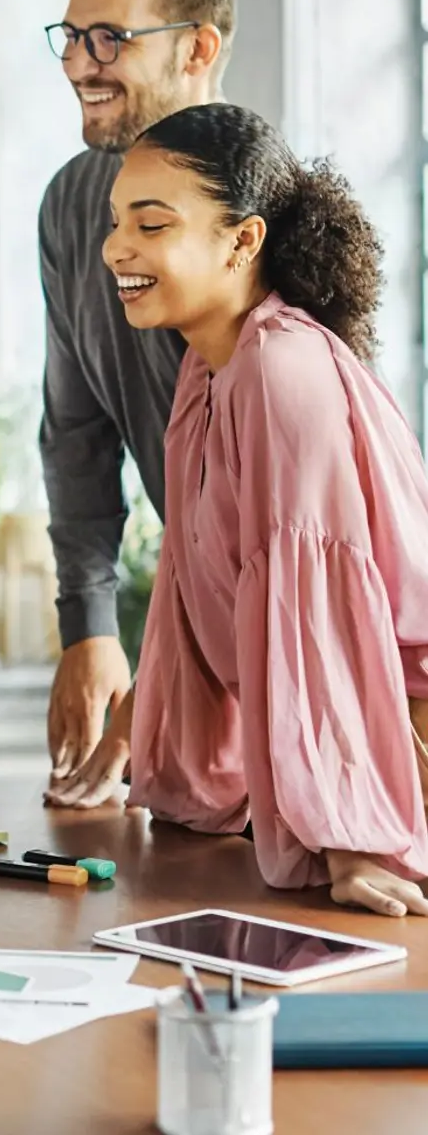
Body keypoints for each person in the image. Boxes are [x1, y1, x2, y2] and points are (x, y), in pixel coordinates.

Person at [78, 101, 428, 916]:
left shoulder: (281, 369)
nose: (116, 248)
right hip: (361, 759)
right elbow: (198, 591)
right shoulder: (207, 369)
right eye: (116, 220)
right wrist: (177, 771)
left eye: (152, 223)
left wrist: (349, 839)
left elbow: (323, 619)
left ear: (243, 241)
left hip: (402, 751)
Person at [37, 0, 235, 793]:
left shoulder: (268, 216)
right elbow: (75, 434)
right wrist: (89, 625)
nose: (82, 62)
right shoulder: (71, 204)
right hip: (200, 627)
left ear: (197, 49)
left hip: (304, 640)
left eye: (111, 37)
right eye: (73, 37)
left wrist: (159, 677)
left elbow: (282, 521)